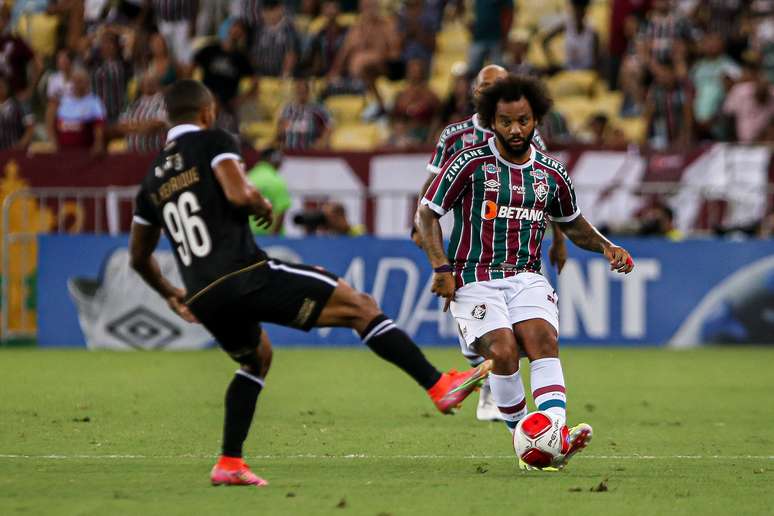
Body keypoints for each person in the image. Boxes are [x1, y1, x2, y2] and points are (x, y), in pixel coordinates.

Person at [129, 79, 491, 486]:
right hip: (243, 273)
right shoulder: (213, 141)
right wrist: (259, 201)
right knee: (360, 306)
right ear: (207, 112)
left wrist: (171, 293)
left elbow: (138, 257)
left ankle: (229, 462)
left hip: (202, 295)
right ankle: (438, 385)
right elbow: (236, 192)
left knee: (256, 359)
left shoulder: (151, 181)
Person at [414, 74, 635, 470]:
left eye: (523, 121)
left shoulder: (551, 172)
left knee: (543, 339)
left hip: (526, 275)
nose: (515, 130)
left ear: (536, 120)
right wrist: (440, 266)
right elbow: (427, 212)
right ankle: (530, 443)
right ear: (491, 121)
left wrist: (607, 246)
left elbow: (573, 222)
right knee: (503, 351)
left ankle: (552, 436)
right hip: (473, 275)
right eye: (506, 122)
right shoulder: (468, 162)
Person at [414, 65, 567, 422]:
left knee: (517, 338)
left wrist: (559, 240)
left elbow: (549, 189)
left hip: (512, 243)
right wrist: (418, 224)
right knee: (483, 325)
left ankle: (501, 392)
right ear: (476, 93)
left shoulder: (525, 135)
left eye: (499, 85)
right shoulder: (454, 136)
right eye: (486, 86)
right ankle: (485, 364)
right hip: (467, 238)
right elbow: (430, 188)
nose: (493, 91)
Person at [246, 147, 291, 235]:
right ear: (275, 160)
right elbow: (281, 211)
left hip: (248, 235)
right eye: (281, 160)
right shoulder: (276, 181)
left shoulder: (248, 177)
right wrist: (273, 238)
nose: (281, 164)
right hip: (268, 237)